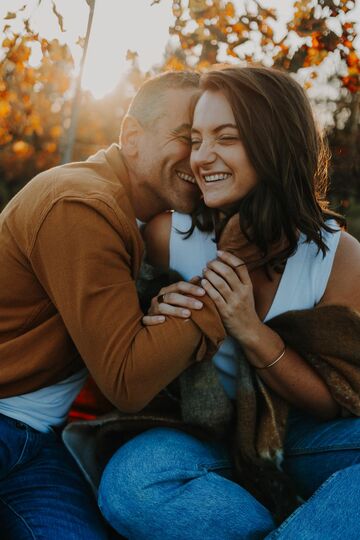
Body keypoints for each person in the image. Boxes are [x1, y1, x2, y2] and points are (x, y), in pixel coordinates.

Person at [98, 66, 360, 539]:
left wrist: (250, 329)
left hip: (291, 436)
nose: (202, 158)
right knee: (131, 485)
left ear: (274, 142)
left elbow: (332, 401)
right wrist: (156, 315)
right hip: (194, 434)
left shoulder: (336, 256)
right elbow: (123, 350)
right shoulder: (168, 235)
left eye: (226, 137)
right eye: (196, 139)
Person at [0, 71, 226, 539]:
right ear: (131, 136)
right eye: (186, 138)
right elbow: (127, 380)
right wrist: (219, 296)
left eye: (207, 141)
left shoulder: (135, 218)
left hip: (35, 441)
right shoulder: (81, 205)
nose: (200, 157)